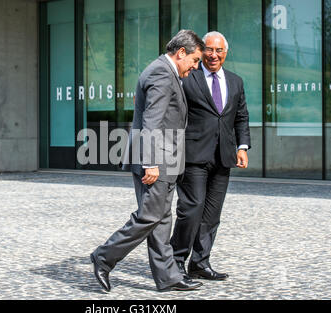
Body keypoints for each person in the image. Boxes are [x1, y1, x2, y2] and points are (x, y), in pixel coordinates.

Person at [90, 30, 205, 292]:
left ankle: (168, 277)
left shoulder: (164, 70)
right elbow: (152, 120)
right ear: (181, 53)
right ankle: (103, 256)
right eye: (195, 60)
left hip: (166, 158)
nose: (196, 67)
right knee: (149, 216)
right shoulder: (162, 73)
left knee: (162, 219)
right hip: (156, 159)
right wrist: (151, 162)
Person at [170, 31, 251, 281]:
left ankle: (200, 262)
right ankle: (176, 260)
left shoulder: (236, 81)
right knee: (191, 209)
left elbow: (241, 116)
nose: (213, 55)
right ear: (201, 51)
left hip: (224, 156)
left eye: (219, 51)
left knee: (212, 214)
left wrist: (242, 146)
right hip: (193, 155)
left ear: (226, 53)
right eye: (209, 50)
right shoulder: (187, 76)